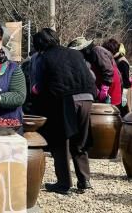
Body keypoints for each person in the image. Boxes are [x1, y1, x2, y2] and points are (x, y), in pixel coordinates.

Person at [32, 28, 95, 195]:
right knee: (80, 140)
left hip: (65, 100)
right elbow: (89, 76)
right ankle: (84, 180)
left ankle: (63, 183)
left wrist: (35, 91)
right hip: (87, 98)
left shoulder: (44, 58)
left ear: (39, 45)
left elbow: (40, 86)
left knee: (60, 141)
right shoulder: (75, 53)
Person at [68, 37, 122, 107]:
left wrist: (105, 88)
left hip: (110, 82)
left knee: (110, 108)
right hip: (102, 81)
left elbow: (108, 69)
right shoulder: (88, 56)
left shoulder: (97, 50)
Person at [102, 38, 131, 117]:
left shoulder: (122, 62)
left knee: (123, 114)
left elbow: (126, 81)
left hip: (123, 91)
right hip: (118, 90)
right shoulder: (115, 59)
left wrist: (124, 96)